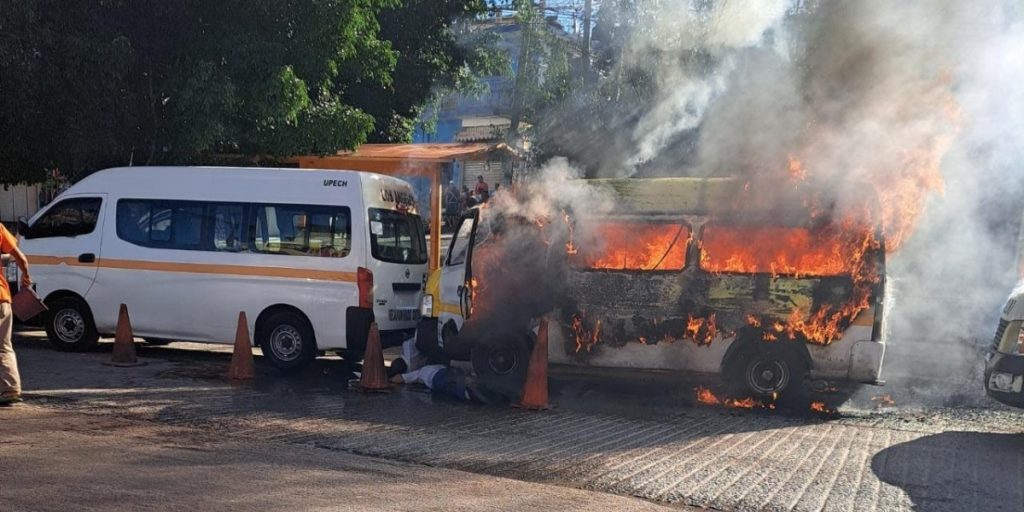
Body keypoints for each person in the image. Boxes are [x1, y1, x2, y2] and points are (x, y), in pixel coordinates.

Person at [0, 223, 32, 406]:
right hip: (2, 298)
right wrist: (25, 275)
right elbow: (21, 258)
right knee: (3, 347)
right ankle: (10, 389)